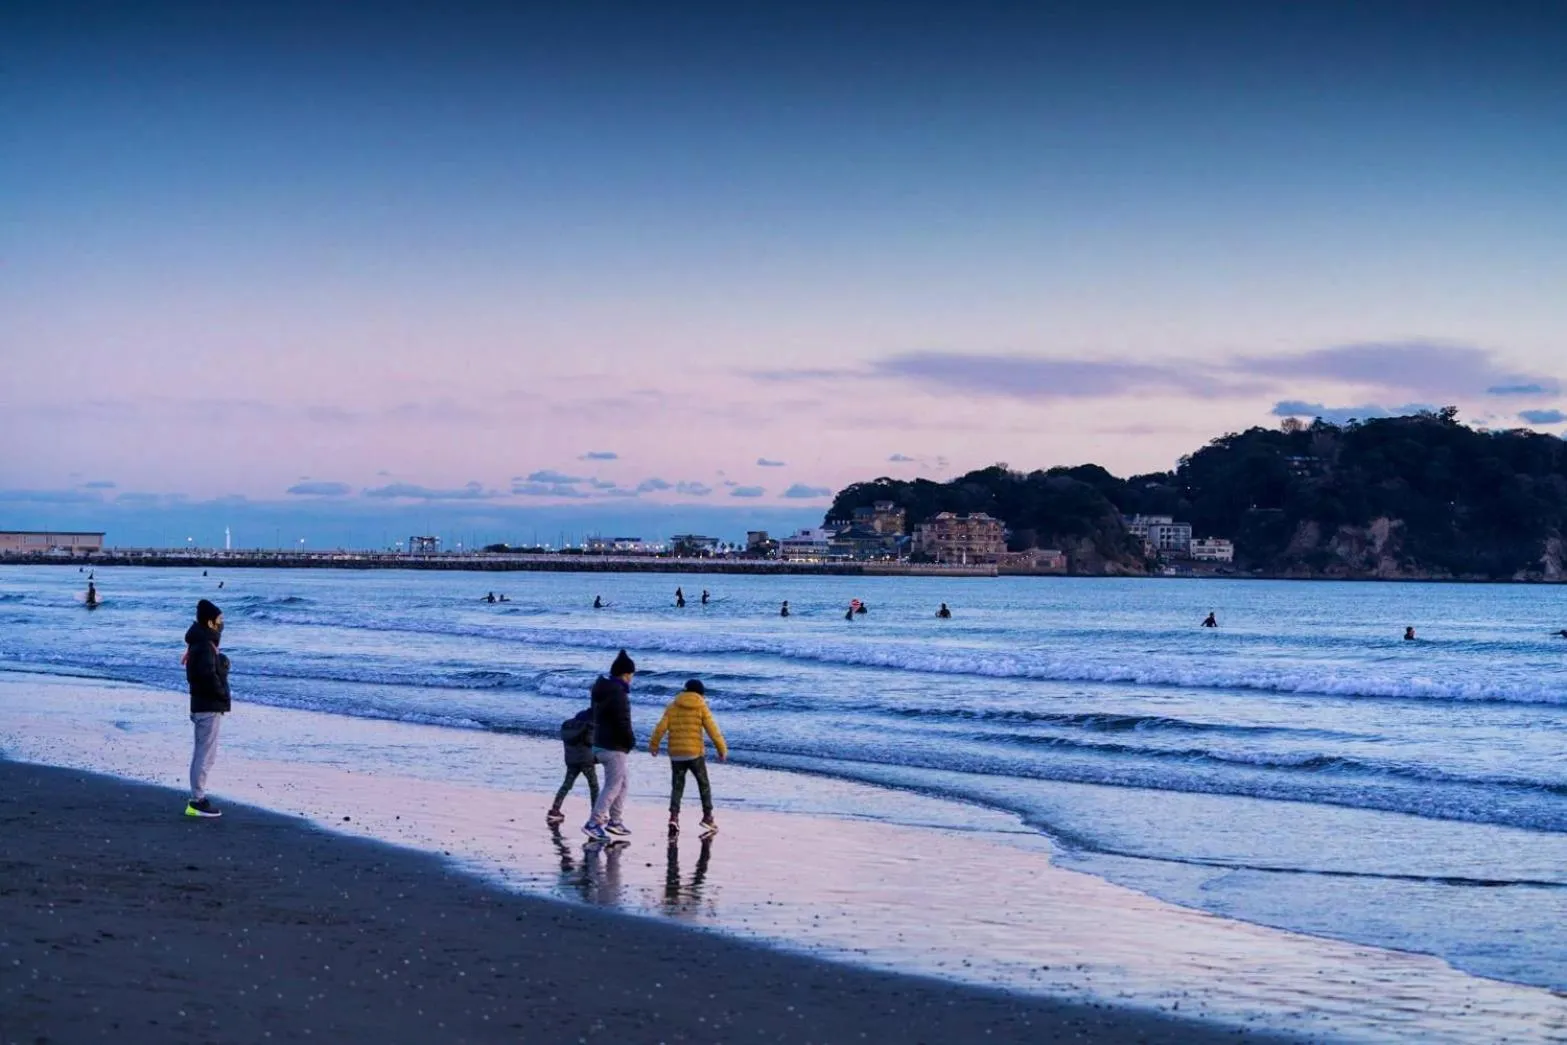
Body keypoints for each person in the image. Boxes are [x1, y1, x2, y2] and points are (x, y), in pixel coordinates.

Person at [649, 678, 727, 837]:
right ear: (701, 693)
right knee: (703, 784)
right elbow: (713, 730)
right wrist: (721, 749)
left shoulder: (672, 706)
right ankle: (707, 817)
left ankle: (674, 817)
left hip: (676, 755)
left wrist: (654, 745)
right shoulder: (701, 707)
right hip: (695, 754)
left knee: (677, 786)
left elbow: (660, 727)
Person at [583, 649, 637, 842]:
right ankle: (594, 823)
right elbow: (623, 721)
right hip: (614, 745)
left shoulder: (602, 690)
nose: (631, 678)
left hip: (600, 742)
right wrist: (630, 741)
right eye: (631, 674)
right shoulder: (618, 693)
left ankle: (615, 821)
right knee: (613, 785)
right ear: (625, 674)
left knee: (622, 783)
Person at [183, 599, 229, 818]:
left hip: (205, 704)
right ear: (210, 622)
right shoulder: (203, 645)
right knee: (204, 753)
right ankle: (197, 800)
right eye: (219, 620)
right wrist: (221, 691)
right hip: (207, 705)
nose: (222, 623)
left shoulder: (202, 643)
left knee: (205, 753)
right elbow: (205, 676)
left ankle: (197, 797)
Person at [547, 707, 599, 824]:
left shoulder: (568, 727)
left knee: (566, 785)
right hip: (586, 761)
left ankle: (555, 810)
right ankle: (596, 813)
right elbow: (590, 742)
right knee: (594, 786)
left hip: (571, 760)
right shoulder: (589, 726)